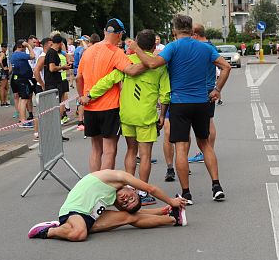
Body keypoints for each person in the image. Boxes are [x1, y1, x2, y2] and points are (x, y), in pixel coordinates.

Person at [129, 14, 231, 204]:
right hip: (202, 102)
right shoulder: (205, 48)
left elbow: (151, 64)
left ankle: (186, 193)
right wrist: (217, 89)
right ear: (191, 30)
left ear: (174, 30)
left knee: (181, 148)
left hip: (180, 103)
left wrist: (135, 48)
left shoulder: (172, 47)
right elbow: (226, 67)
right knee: (205, 145)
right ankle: (216, 186)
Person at [82, 30, 170, 206]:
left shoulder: (126, 62)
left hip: (127, 114)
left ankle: (130, 186)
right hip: (146, 114)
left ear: (137, 42)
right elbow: (165, 93)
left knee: (131, 151)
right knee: (145, 155)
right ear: (154, 46)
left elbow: (108, 81)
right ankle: (142, 192)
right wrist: (162, 114)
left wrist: (89, 95)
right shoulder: (158, 65)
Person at [27, 169, 187, 241]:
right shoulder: (120, 177)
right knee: (79, 235)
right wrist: (171, 201)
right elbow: (150, 188)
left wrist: (164, 209)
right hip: (74, 211)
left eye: (126, 203)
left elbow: (134, 215)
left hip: (90, 217)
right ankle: (51, 230)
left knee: (128, 217)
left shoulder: (114, 196)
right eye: (131, 198)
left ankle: (173, 218)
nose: (126, 200)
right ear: (134, 190)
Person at [76, 18, 146, 172]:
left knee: (95, 149)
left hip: (89, 106)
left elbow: (78, 78)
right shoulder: (116, 52)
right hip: (109, 107)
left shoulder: (88, 51)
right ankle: (105, 188)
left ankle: (94, 187)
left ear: (104, 32)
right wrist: (153, 62)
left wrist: (82, 96)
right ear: (120, 34)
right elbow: (132, 71)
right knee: (109, 150)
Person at [188, 23, 220, 163]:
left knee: (207, 122)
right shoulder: (210, 46)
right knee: (209, 120)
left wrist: (216, 88)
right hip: (208, 86)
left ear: (195, 35)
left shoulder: (205, 47)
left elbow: (222, 66)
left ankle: (206, 151)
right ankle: (207, 151)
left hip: (204, 87)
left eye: (190, 35)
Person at [10, 39, 35, 128]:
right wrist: (28, 46)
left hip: (17, 78)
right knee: (24, 99)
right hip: (22, 79)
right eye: (24, 47)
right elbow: (32, 56)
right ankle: (23, 121)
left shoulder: (13, 55)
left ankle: (22, 119)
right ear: (21, 46)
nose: (25, 49)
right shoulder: (19, 54)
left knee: (22, 99)